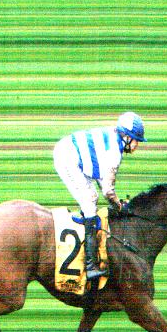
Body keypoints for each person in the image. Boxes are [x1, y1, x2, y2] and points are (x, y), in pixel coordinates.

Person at [51, 112, 145, 285]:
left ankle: (86, 238)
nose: (136, 145)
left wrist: (116, 203)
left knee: (91, 197)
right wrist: (118, 205)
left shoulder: (114, 138)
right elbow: (108, 190)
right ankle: (90, 266)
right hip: (67, 158)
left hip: (70, 152)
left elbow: (103, 181)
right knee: (89, 200)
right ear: (126, 137)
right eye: (136, 140)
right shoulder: (114, 153)